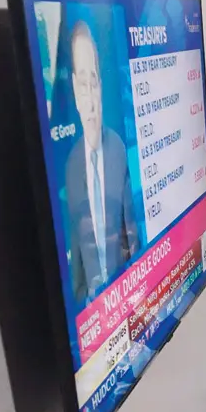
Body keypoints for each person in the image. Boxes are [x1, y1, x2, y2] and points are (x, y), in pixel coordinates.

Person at [65, 20, 138, 304]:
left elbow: (132, 238)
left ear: (101, 87)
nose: (91, 99)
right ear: (74, 90)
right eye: (83, 83)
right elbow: (77, 267)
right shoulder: (72, 167)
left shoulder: (118, 148)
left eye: (93, 81)